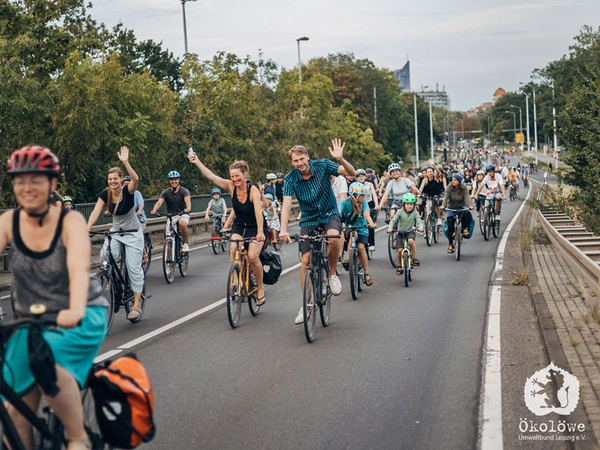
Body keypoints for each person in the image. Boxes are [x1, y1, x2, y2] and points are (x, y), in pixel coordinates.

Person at [0, 146, 107, 450]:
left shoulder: (69, 221)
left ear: (53, 184)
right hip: (29, 322)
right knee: (14, 409)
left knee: (48, 362)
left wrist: (73, 308)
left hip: (79, 315)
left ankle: (77, 437)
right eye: (20, 180)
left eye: (36, 179)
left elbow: (77, 266)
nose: (27, 187)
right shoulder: (8, 221)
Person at [279, 139, 355, 324]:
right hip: (309, 218)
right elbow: (287, 205)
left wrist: (341, 159)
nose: (299, 163)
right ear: (292, 163)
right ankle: (305, 306)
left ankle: (331, 274)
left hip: (329, 213)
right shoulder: (290, 179)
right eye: (295, 161)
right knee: (305, 260)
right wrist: (283, 229)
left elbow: (351, 174)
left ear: (308, 157)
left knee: (334, 238)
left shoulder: (322, 165)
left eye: (302, 159)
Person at [188, 154, 267, 305]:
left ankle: (261, 288)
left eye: (237, 176)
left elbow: (258, 212)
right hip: (240, 224)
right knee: (233, 247)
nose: (235, 179)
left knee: (252, 256)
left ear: (244, 175)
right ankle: (236, 280)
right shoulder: (231, 186)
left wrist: (260, 233)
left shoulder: (253, 191)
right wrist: (197, 161)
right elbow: (212, 176)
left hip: (256, 225)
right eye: (232, 176)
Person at [87, 146, 145, 320]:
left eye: (115, 179)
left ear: (121, 180)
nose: (112, 182)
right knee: (105, 256)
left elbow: (135, 178)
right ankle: (112, 280)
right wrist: (87, 228)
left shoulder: (129, 191)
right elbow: (96, 211)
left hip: (133, 232)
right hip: (116, 232)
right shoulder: (105, 194)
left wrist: (125, 162)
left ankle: (136, 305)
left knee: (134, 268)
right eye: (110, 179)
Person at [339, 182, 376, 286]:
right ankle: (348, 258)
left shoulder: (364, 203)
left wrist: (371, 223)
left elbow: (367, 214)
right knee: (352, 235)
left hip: (362, 228)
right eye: (361, 195)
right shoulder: (344, 202)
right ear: (354, 195)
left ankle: (366, 273)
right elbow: (338, 212)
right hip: (349, 228)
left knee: (361, 248)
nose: (363, 197)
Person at [150, 170, 192, 252]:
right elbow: (159, 202)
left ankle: (185, 244)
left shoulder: (184, 191)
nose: (174, 181)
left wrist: (187, 208)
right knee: (169, 238)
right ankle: (169, 262)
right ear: (169, 181)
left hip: (182, 213)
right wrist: (154, 209)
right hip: (171, 216)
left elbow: (188, 201)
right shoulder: (165, 192)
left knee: (182, 224)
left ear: (178, 180)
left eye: (175, 179)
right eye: (172, 180)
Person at [387, 192, 424, 273]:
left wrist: (420, 227)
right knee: (400, 250)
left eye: (411, 204)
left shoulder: (415, 212)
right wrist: (390, 228)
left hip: (410, 231)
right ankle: (400, 266)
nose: (409, 206)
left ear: (414, 205)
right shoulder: (400, 212)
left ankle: (414, 258)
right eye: (407, 204)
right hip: (400, 232)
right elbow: (393, 221)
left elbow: (419, 221)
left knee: (411, 241)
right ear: (404, 204)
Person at [441, 173, 473, 254]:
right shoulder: (449, 187)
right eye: (452, 180)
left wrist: (469, 205)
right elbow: (445, 198)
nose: (453, 181)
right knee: (450, 225)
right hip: (451, 207)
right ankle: (450, 244)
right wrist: (443, 206)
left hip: (461, 206)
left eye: (455, 180)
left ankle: (465, 228)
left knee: (466, 213)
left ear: (459, 181)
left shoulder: (464, 188)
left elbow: (467, 198)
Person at [355, 169, 379, 251]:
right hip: (359, 205)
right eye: (359, 176)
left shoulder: (369, 184)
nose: (361, 178)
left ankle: (371, 243)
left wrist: (376, 205)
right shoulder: (355, 185)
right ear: (356, 178)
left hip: (369, 204)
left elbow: (374, 195)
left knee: (369, 224)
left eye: (362, 176)